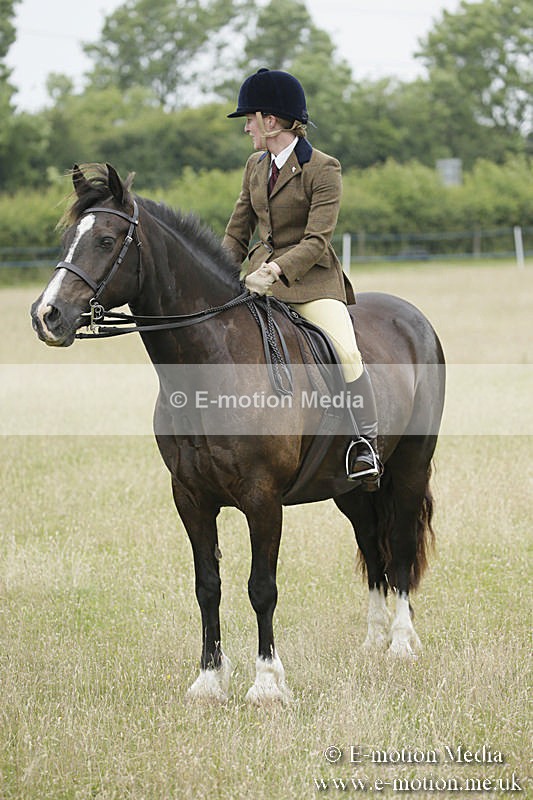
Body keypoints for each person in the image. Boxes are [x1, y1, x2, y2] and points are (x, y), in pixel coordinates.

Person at [223, 67, 381, 488]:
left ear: (270, 121)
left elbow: (316, 240)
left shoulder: (324, 169)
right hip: (257, 280)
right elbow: (238, 231)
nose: (247, 130)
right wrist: (218, 274)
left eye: (249, 120)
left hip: (309, 282)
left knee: (345, 351)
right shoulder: (254, 166)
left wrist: (275, 270)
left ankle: (363, 443)